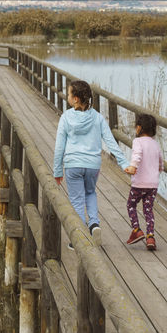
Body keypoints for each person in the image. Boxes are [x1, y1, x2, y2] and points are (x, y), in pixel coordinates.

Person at [53, 80, 127, 238]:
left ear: (76, 99)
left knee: (76, 200)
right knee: (90, 193)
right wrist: (124, 163)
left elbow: (59, 147)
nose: (67, 96)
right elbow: (110, 142)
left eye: (69, 94)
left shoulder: (66, 118)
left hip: (73, 164)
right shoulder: (98, 118)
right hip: (93, 165)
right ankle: (94, 224)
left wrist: (58, 170)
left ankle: (80, 237)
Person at [124, 113, 163, 251]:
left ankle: (136, 230)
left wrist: (132, 167)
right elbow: (160, 163)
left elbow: (137, 155)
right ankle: (150, 236)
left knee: (131, 205)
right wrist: (158, 169)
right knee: (148, 210)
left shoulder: (137, 142)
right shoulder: (156, 144)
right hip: (152, 185)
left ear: (139, 128)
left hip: (139, 183)